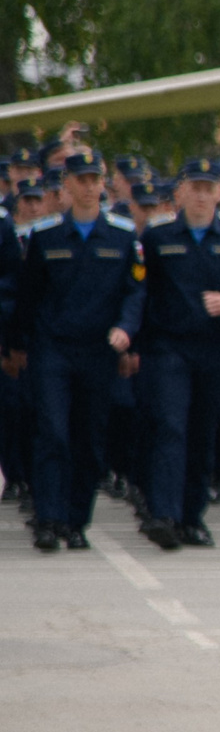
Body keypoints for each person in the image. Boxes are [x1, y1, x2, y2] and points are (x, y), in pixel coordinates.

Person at [4, 150, 143, 552]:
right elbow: (28, 296)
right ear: (65, 185)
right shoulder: (46, 235)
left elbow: (135, 291)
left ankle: (76, 520)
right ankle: (48, 519)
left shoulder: (122, 234)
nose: (87, 187)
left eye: (94, 179)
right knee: (53, 433)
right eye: (79, 179)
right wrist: (15, 345)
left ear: (103, 184)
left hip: (98, 350)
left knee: (89, 437)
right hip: (53, 349)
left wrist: (127, 332)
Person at [135, 157, 220, 549]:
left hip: (215, 348)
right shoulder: (158, 237)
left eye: (208, 188)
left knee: (202, 432)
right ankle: (164, 513)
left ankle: (192, 517)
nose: (200, 195)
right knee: (170, 427)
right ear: (179, 193)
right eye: (193, 187)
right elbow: (141, 291)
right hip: (168, 347)